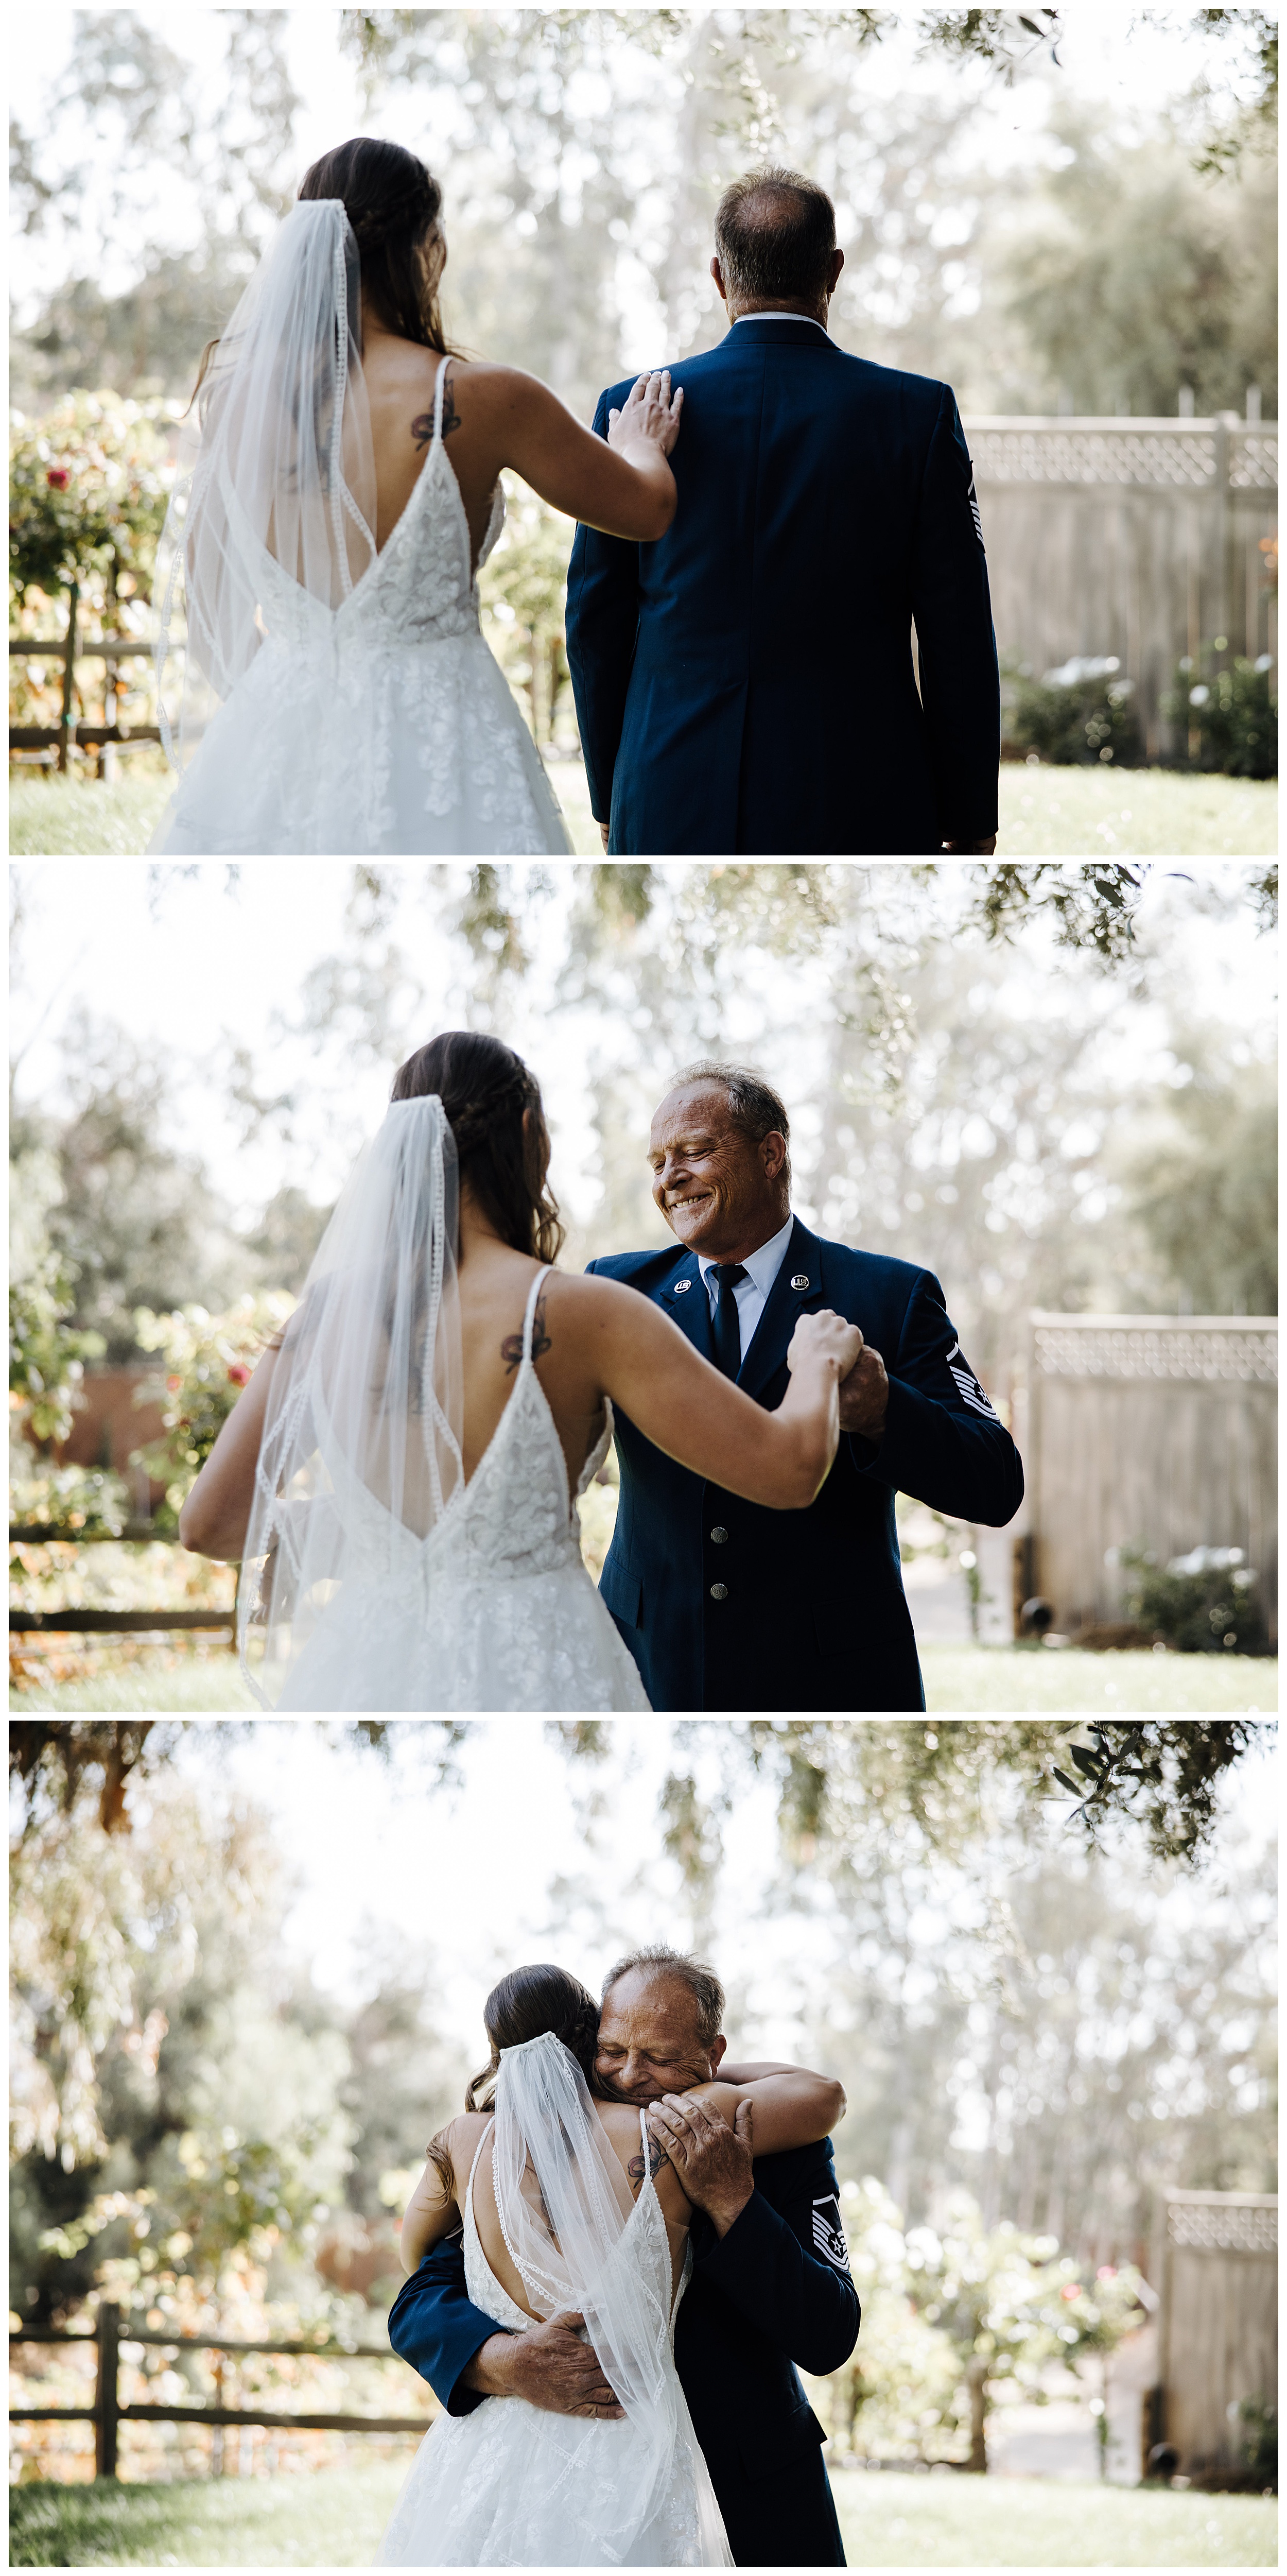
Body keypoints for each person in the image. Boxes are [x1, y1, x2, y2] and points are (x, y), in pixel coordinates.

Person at [177, 1032, 864, 1710]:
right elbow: (788, 1470)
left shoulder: (326, 1319)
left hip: (363, 1668)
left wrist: (346, 1532)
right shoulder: (587, 1312)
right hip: (539, 1668)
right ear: (530, 1132)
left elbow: (210, 1525)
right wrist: (817, 1360)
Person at [147, 137, 684, 856]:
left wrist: (289, 704)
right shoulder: (486, 397)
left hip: (280, 722)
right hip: (444, 739)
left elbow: (208, 593)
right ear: (424, 249)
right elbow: (646, 509)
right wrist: (642, 443)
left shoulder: (239, 404)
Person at [566, 164, 1000, 856]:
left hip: (669, 789)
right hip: (860, 796)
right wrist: (971, 818)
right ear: (834, 271)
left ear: (719, 277)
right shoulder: (916, 415)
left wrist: (611, 794)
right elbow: (959, 635)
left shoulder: (632, 410)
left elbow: (594, 623)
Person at [386, 1947, 858, 2569]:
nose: (631, 2076)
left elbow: (829, 2334)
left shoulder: (773, 2138)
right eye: (611, 2051)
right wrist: (501, 2360)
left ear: (713, 2055)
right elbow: (422, 2296)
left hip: (750, 2490)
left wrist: (733, 2201)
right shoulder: (528, 2145)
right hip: (561, 2489)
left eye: (660, 2058)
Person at [586, 1059, 1023, 1711]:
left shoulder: (891, 1295)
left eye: (695, 1151)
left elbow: (996, 1482)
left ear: (770, 1155)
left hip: (829, 1681)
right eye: (657, 1162)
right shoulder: (615, 1291)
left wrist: (883, 1411)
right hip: (646, 1666)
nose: (669, 1178)